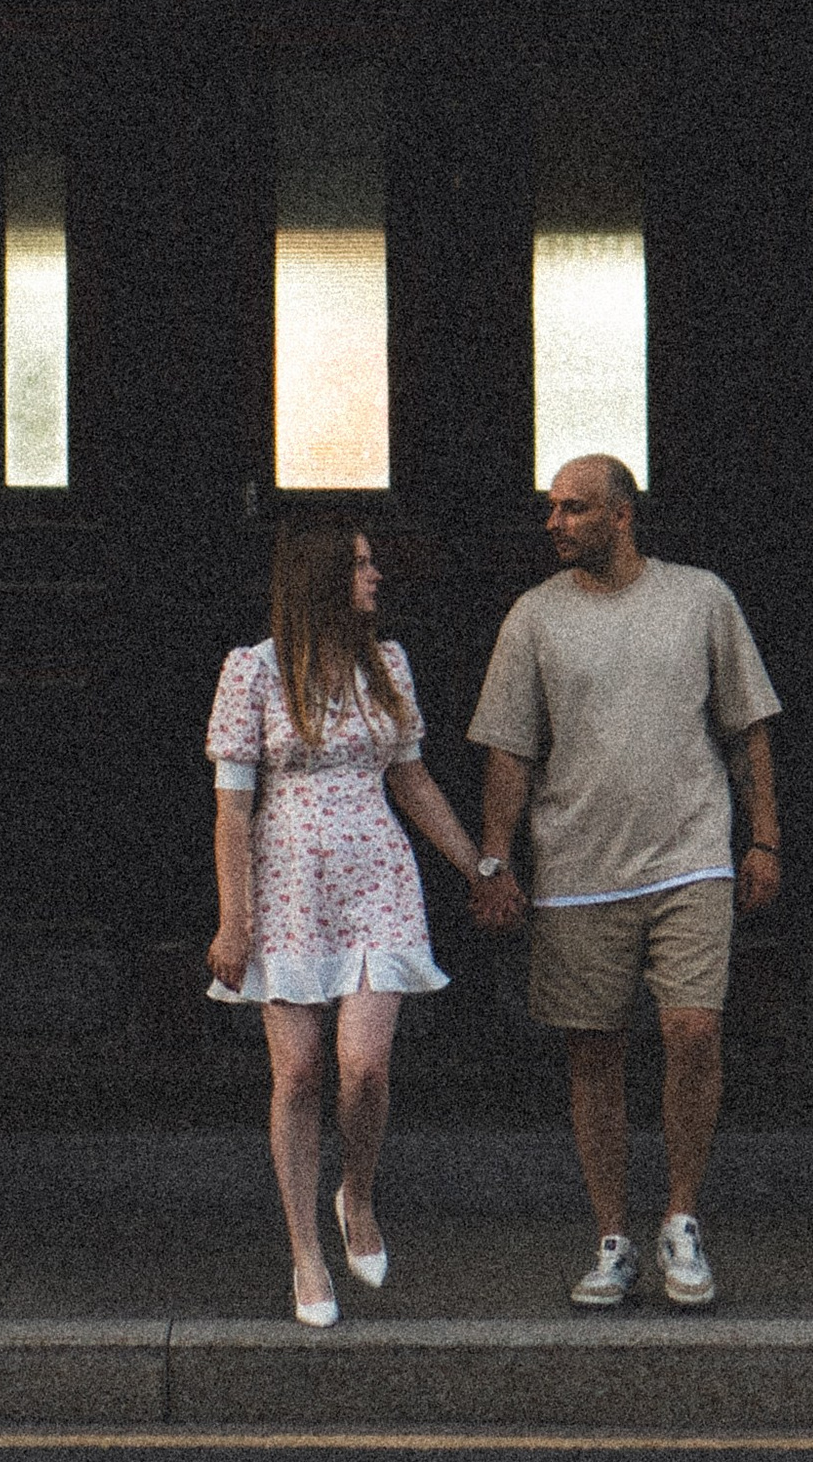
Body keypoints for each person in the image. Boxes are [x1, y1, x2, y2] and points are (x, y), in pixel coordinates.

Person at [467, 452, 781, 1310]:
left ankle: (680, 1217)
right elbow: (508, 749)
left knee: (692, 1033)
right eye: (552, 508)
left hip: (691, 857)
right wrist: (495, 860)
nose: (555, 524)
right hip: (577, 867)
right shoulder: (534, 617)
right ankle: (612, 1234)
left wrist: (765, 841)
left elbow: (748, 727)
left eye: (573, 509)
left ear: (621, 515)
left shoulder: (701, 599)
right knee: (593, 1051)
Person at [205, 521, 485, 1327]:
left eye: (372, 560)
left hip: (377, 881)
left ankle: (355, 1195)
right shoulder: (252, 672)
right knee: (297, 1073)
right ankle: (304, 1252)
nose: (375, 576)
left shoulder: (386, 664)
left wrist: (476, 867)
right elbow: (233, 809)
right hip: (287, 884)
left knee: (363, 1067)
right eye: (360, 564)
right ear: (323, 577)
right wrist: (234, 920)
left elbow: (413, 778)